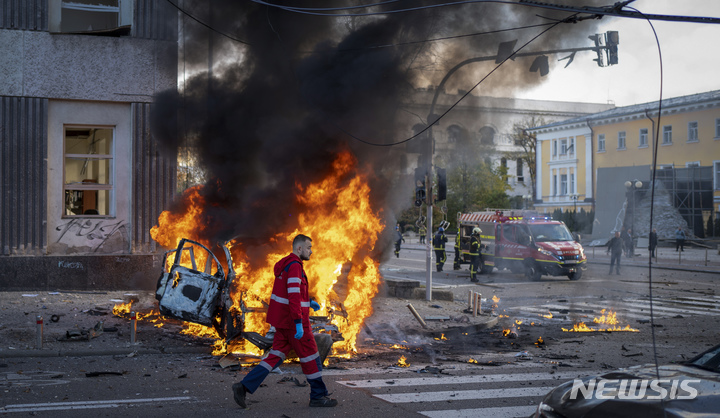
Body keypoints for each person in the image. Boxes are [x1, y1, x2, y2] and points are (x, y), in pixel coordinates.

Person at [232, 234, 338, 408]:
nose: (311, 251)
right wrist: (298, 322)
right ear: (299, 249)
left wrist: (308, 302)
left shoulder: (286, 264)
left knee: (275, 356)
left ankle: (243, 386)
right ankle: (318, 396)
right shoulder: (295, 266)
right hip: (294, 324)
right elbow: (293, 295)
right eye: (309, 247)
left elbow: (290, 293)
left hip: (283, 323)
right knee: (311, 357)